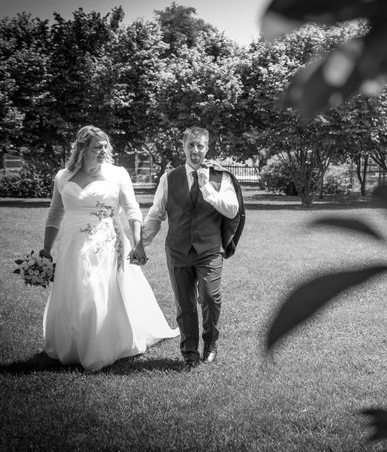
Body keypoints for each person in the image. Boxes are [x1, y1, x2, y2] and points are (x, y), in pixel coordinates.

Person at [40, 125, 178, 372]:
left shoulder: (117, 174)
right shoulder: (62, 176)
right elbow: (55, 214)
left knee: (95, 288)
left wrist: (138, 243)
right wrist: (45, 249)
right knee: (74, 291)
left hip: (106, 242)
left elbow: (133, 210)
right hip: (71, 244)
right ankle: (73, 345)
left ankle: (100, 347)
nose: (103, 151)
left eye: (105, 146)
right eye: (97, 147)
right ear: (82, 149)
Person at [131, 126, 245, 371]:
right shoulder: (168, 178)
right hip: (178, 249)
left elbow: (232, 209)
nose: (196, 150)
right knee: (184, 303)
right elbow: (156, 214)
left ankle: (211, 344)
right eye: (191, 145)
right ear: (183, 147)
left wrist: (207, 189)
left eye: (200, 146)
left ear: (207, 148)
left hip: (209, 249)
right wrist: (142, 243)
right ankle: (190, 352)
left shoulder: (220, 177)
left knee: (210, 297)